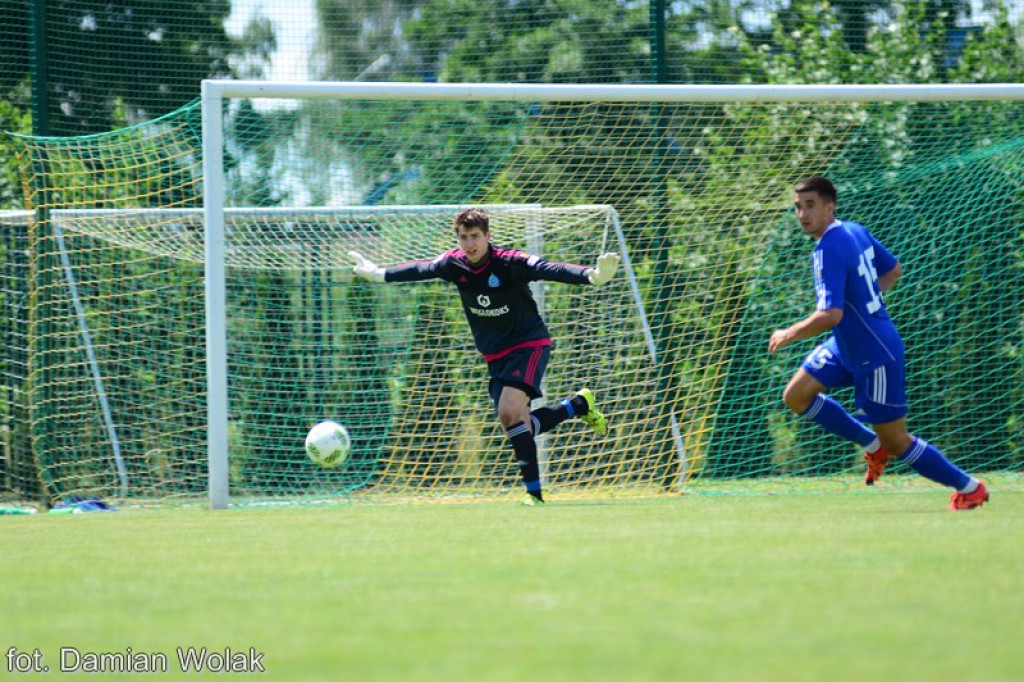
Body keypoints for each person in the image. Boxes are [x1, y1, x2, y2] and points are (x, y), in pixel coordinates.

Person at [349, 207, 620, 506]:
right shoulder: (453, 264)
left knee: (508, 411)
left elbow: (549, 268)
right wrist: (378, 273)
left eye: (475, 236)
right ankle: (577, 406)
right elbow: (421, 269)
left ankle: (535, 496)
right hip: (495, 354)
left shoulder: (510, 262)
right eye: (464, 237)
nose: (470, 243)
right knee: (520, 426)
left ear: (488, 236)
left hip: (529, 343)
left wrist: (592, 276)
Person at [768, 176, 988, 510]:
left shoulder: (827, 248)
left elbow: (830, 315)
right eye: (798, 206)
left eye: (810, 205)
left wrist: (790, 332)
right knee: (796, 395)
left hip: (876, 352)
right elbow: (894, 270)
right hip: (847, 344)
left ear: (830, 206)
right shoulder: (854, 230)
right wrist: (866, 302)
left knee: (897, 440)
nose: (802, 214)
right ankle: (872, 446)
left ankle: (969, 487)